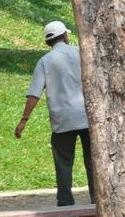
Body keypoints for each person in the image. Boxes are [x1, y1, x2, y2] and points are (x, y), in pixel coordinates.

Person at [15, 20, 94, 206]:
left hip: (62, 121)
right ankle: (98, 201)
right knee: (93, 162)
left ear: (48, 42)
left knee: (64, 164)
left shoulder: (45, 61)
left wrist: (23, 120)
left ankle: (65, 203)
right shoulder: (80, 53)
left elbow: (34, 94)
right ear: (65, 36)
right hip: (87, 117)